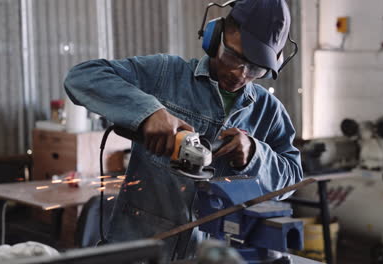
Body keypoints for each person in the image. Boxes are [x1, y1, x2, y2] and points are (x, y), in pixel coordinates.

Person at [64, 0, 303, 260]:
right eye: (232, 55)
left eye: (255, 68)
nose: (239, 73)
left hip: (211, 256)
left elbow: (292, 178)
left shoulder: (268, 112)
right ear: (214, 37)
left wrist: (255, 154)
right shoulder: (166, 75)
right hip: (141, 251)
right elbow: (82, 77)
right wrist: (149, 112)